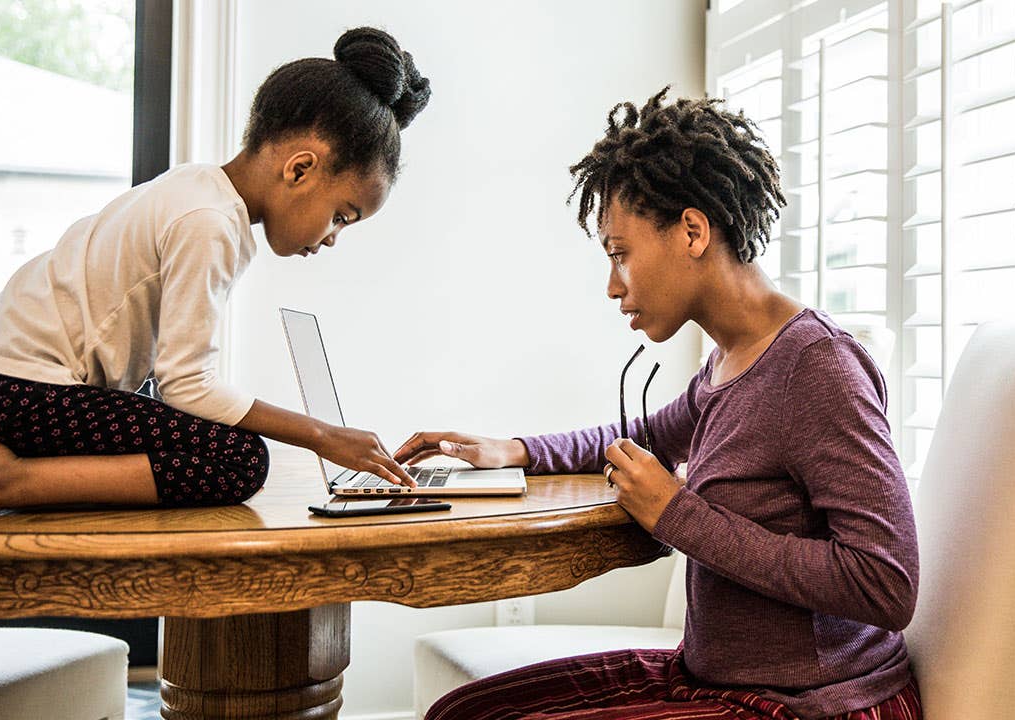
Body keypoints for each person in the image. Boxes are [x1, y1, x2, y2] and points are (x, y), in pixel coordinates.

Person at [394, 89, 921, 720]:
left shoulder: (816, 368)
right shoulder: (728, 363)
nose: (613, 286)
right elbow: (644, 434)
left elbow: (886, 583)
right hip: (709, 678)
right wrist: (516, 451)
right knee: (462, 712)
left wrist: (679, 514)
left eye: (621, 254)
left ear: (692, 231)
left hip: (815, 705)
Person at [0, 27, 430, 514]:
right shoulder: (209, 223)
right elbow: (187, 384)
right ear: (300, 169)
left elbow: (172, 382)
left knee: (204, 439)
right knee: (238, 460)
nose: (332, 239)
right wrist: (321, 435)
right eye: (341, 216)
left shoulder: (199, 190)